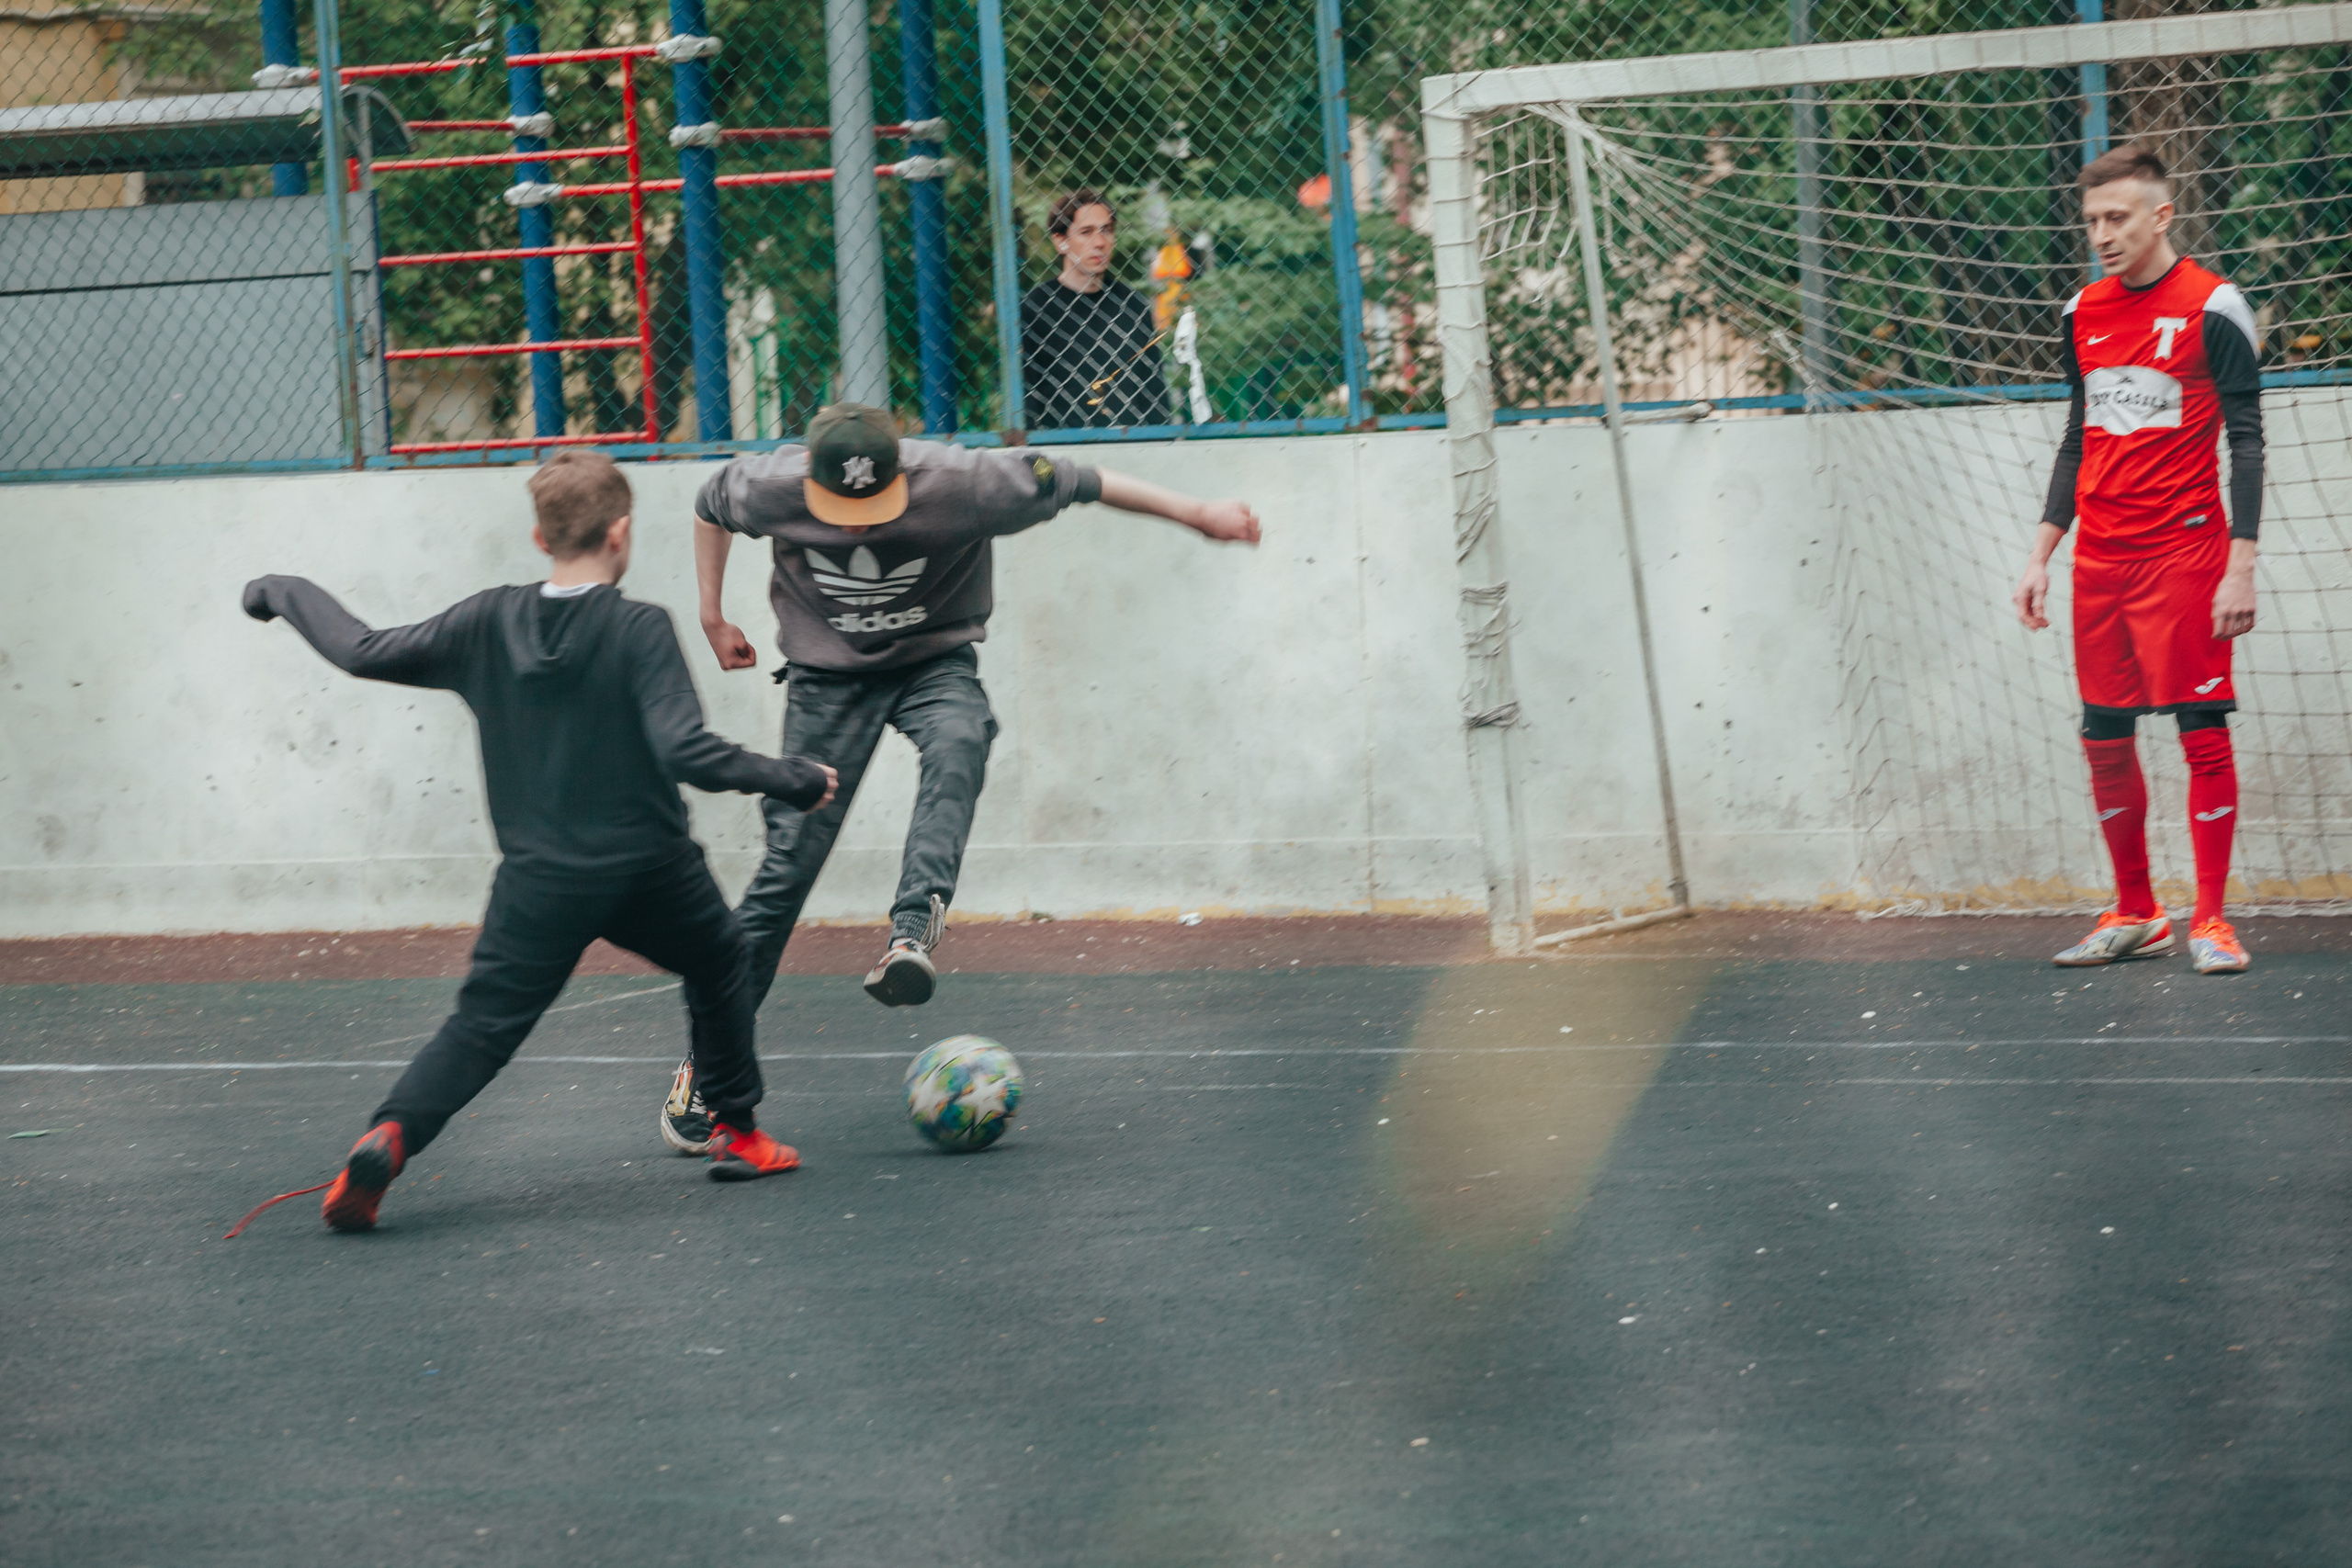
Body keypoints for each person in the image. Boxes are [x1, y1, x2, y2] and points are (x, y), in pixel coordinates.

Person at [226, 451, 840, 1236]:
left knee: (480, 1028)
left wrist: (278, 589)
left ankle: (391, 1135)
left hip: (540, 880)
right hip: (650, 871)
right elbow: (685, 749)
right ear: (621, 532)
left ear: (540, 537)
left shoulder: (485, 621)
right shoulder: (639, 627)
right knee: (721, 958)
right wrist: (792, 777)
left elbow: (361, 648)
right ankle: (738, 1131)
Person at [660, 402, 1259, 1153]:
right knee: (786, 870)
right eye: (842, 514)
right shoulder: (769, 483)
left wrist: (1199, 513)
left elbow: (1087, 480)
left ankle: (911, 933)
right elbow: (708, 504)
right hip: (824, 680)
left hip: (933, 665)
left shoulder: (967, 480)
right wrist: (712, 614)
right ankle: (707, 1070)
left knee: (962, 734)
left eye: (875, 509)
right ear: (809, 477)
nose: (859, 529)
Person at [2013, 143, 2264, 975]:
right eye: (2091, 221)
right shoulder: (2081, 310)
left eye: (2116, 218)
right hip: (2101, 562)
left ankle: (2213, 921)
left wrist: (2240, 564)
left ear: (2162, 215)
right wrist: (2041, 554)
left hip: (2186, 555)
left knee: (2201, 728)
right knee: (2103, 732)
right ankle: (2136, 912)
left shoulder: (2214, 306)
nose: (2101, 235)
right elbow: (2077, 436)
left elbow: (2248, 442)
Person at [1021, 188, 1172, 429]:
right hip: (1061, 447)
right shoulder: (1035, 308)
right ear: (1061, 241)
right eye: (1086, 232)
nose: (1100, 243)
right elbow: (1026, 398)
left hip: (1131, 443)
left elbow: (1155, 393)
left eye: (1107, 230)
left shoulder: (1133, 306)